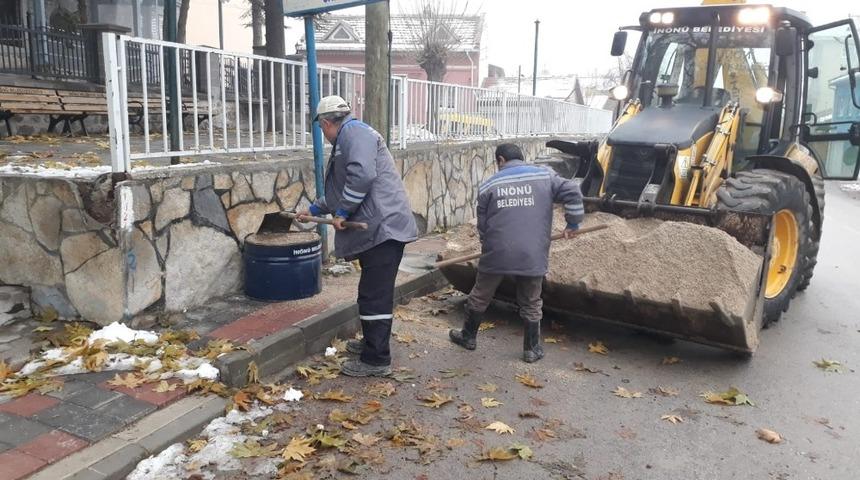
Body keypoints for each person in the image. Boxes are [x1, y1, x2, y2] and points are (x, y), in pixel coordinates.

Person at [298, 95, 418, 377]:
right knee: (371, 292)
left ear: (325, 123)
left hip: (383, 228)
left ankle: (376, 359)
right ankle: (371, 343)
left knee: (374, 295)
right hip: (379, 228)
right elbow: (343, 188)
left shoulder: (354, 134)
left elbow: (362, 177)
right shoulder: (351, 137)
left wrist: (342, 212)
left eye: (321, 129)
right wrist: (314, 209)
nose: (323, 134)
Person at [449, 143, 584, 363]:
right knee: (531, 300)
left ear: (501, 160)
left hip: (497, 251)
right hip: (532, 252)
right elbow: (572, 191)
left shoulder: (489, 185)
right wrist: (573, 224)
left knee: (480, 294)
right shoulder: (545, 176)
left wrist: (488, 245)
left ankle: (468, 337)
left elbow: (483, 224)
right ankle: (531, 349)